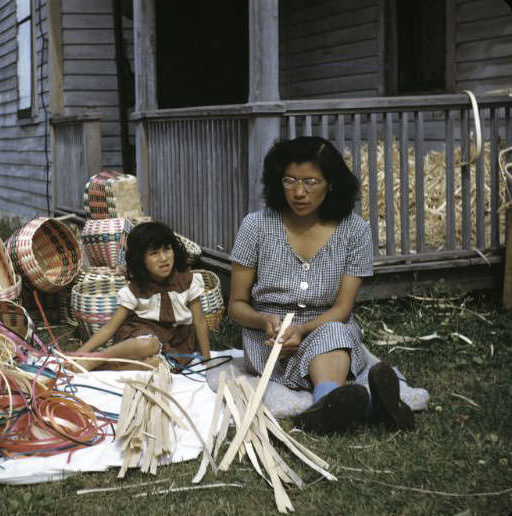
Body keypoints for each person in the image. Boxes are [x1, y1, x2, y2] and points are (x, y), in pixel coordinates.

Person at [228, 136, 414, 434]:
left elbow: (342, 308)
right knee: (325, 342)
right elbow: (236, 305)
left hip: (325, 327)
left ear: (331, 184)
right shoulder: (256, 226)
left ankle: (328, 407)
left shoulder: (355, 230)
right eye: (290, 181)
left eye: (311, 182)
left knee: (334, 334)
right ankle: (368, 408)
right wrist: (265, 320)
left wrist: (301, 330)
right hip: (268, 339)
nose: (299, 192)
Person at [75, 221, 211, 371]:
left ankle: (100, 366)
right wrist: (80, 353)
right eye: (154, 253)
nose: (164, 258)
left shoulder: (187, 281)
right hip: (142, 336)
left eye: (167, 249)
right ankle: (94, 359)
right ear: (140, 259)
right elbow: (109, 328)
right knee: (149, 344)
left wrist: (207, 359)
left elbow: (200, 322)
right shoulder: (136, 289)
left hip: (177, 343)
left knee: (158, 366)